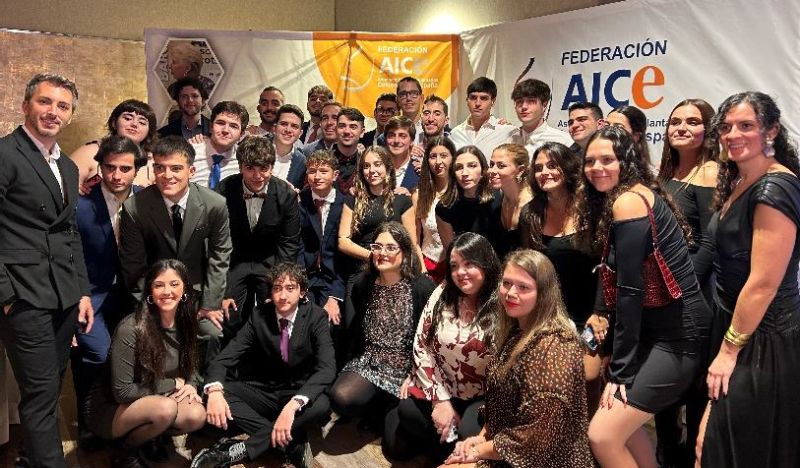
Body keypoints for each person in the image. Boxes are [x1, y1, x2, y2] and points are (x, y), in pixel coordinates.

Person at [577, 126, 710, 467]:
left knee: (603, 434)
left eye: (607, 159)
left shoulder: (628, 202)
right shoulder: (625, 197)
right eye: (590, 161)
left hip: (678, 336)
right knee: (620, 427)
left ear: (626, 160)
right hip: (656, 332)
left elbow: (630, 292)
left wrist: (621, 370)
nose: (597, 167)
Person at [697, 92, 800, 467]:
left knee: (728, 450)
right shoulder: (742, 179)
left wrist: (729, 351)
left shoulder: (774, 188)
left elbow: (763, 284)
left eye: (746, 126)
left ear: (770, 131)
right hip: (737, 327)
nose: (733, 135)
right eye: (726, 127)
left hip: (761, 342)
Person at [0, 73, 93, 468]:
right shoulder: (5, 154)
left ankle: (31, 458)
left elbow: (69, 233)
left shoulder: (67, 167)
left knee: (49, 389)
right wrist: (6, 295)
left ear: (69, 115)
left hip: (63, 294)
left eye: (63, 106)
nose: (53, 111)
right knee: (39, 394)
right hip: (23, 294)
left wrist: (82, 291)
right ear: (26, 106)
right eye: (45, 102)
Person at [443, 250, 593, 467]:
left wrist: (478, 451)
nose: (511, 293)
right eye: (506, 283)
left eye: (523, 287)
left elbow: (534, 440)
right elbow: (501, 405)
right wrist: (483, 436)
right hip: (508, 448)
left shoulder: (556, 350)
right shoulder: (517, 330)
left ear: (543, 293)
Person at [191, 263, 336, 468]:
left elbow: (327, 368)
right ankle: (291, 443)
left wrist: (293, 405)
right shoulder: (259, 315)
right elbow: (225, 358)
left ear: (302, 292)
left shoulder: (316, 316)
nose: (282, 295)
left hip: (297, 390)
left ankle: (239, 450)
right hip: (264, 390)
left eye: (290, 288)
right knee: (211, 393)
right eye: (277, 288)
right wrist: (214, 391)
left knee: (321, 404)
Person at [384, 233, 500, 461]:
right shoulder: (444, 291)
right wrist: (440, 401)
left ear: (486, 263)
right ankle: (440, 437)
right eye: (454, 266)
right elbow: (421, 343)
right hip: (441, 385)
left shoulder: (503, 300)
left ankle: (444, 441)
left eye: (469, 264)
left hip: (481, 395)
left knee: (467, 433)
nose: (460, 272)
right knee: (404, 421)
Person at [84, 259, 205, 467]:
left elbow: (191, 363)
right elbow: (122, 392)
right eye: (159, 285)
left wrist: (191, 385)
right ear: (149, 290)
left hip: (155, 396)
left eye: (174, 284)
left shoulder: (187, 321)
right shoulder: (131, 328)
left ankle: (151, 436)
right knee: (165, 409)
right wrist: (173, 383)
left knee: (196, 415)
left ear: (185, 288)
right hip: (112, 407)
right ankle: (125, 452)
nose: (167, 291)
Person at [119, 136, 232, 354]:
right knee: (145, 336)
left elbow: (220, 256)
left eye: (176, 168)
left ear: (191, 171)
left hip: (197, 295)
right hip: (154, 295)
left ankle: (201, 378)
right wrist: (151, 304)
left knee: (212, 334)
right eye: (160, 168)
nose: (167, 175)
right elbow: (133, 265)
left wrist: (210, 304)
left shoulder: (214, 204)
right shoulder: (135, 208)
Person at [655, 98, 718, 468]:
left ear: (708, 130)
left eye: (693, 121)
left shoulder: (710, 172)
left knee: (693, 390)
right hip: (662, 292)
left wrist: (681, 289)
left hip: (692, 293)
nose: (681, 127)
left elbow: (709, 242)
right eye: (675, 121)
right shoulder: (666, 172)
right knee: (664, 394)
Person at [71, 135, 146, 446]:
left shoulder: (147, 200)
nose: (116, 175)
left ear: (136, 170)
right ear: (99, 167)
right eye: (110, 167)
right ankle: (88, 421)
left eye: (125, 169)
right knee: (97, 354)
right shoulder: (80, 203)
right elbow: (67, 255)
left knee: (133, 358)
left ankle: (127, 424)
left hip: (134, 296)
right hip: (90, 297)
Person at [520, 141, 603, 414]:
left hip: (590, 314)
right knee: (552, 387)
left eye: (552, 165)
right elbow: (531, 270)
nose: (544, 172)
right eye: (538, 168)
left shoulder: (592, 209)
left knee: (589, 380)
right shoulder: (530, 213)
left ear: (567, 167)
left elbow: (607, 267)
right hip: (551, 315)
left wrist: (601, 312)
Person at [330, 222, 436, 432]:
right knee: (341, 397)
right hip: (372, 360)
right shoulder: (364, 283)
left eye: (390, 247)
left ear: (405, 252)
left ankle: (384, 407)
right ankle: (375, 402)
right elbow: (357, 329)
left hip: (408, 367)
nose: (382, 253)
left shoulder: (422, 287)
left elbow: (431, 339)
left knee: (395, 443)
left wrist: (417, 372)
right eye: (377, 247)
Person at [215, 135, 301, 349]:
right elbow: (217, 240)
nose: (257, 175)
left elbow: (289, 244)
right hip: (235, 260)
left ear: (272, 167)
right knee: (228, 316)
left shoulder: (286, 195)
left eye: (264, 168)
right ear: (240, 167)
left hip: (270, 261)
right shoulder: (224, 190)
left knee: (274, 317)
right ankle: (231, 361)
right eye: (250, 168)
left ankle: (273, 360)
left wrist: (280, 285)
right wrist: (222, 289)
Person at [338, 146, 419, 335]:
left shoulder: (402, 200)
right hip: (361, 273)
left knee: (391, 333)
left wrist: (421, 273)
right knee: (354, 333)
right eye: (366, 166)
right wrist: (374, 255)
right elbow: (343, 240)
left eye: (377, 164)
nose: (372, 170)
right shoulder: (354, 199)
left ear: (388, 168)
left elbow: (412, 243)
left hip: (395, 275)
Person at [298, 150, 347, 322]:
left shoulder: (346, 204)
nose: (317, 176)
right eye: (312, 171)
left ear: (335, 175)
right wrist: (299, 284)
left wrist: (335, 296)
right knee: (302, 321)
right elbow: (297, 245)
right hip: (306, 276)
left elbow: (345, 257)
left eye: (324, 171)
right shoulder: (299, 201)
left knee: (328, 323)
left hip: (334, 279)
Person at [70, 99, 158, 194]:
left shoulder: (156, 162)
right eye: (127, 118)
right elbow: (64, 186)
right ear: (114, 123)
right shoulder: (90, 152)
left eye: (142, 123)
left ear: (149, 131)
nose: (134, 124)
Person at [436, 146, 500, 252]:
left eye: (472, 166)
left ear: (483, 170)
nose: (464, 173)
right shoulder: (445, 206)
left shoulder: (499, 197)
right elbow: (450, 250)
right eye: (459, 167)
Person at [414, 136, 455, 282]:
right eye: (433, 157)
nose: (438, 162)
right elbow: (415, 240)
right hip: (428, 266)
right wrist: (423, 271)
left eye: (443, 156)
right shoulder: (419, 194)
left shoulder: (461, 192)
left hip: (456, 267)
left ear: (453, 158)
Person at [449, 77, 515, 160]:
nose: (477, 103)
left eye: (484, 98)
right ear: (467, 100)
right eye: (473, 97)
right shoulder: (455, 134)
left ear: (493, 101)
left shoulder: (507, 132)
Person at [487, 143, 532, 259]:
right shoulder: (497, 200)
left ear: (520, 170)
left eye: (501, 166)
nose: (492, 170)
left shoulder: (533, 205)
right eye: (491, 165)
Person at [190, 100, 248, 189]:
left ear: (241, 135)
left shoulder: (245, 160)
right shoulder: (189, 153)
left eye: (233, 126)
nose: (225, 130)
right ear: (211, 127)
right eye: (220, 123)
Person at [509, 79, 573, 157]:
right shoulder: (508, 139)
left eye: (531, 101)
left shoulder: (563, 141)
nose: (524, 106)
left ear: (544, 105)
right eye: (519, 102)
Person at [272, 104, 308, 189]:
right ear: (274, 128)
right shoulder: (256, 150)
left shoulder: (302, 162)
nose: (288, 130)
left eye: (294, 126)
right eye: (284, 124)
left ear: (300, 133)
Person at [331, 106, 365, 195]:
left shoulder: (368, 163)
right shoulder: (322, 161)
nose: (347, 131)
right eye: (342, 126)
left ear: (362, 132)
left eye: (353, 127)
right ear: (335, 130)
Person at [385, 115, 420, 191]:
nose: (396, 140)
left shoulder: (420, 172)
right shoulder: (377, 169)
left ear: (412, 141)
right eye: (391, 136)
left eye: (402, 136)